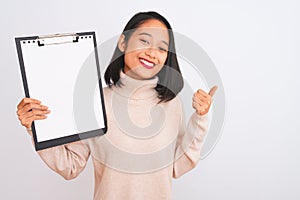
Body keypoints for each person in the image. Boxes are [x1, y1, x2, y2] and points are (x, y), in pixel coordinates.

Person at [16, 11, 217, 200]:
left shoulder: (171, 104)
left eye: (162, 48)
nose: (152, 53)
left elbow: (178, 166)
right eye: (145, 41)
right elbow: (70, 167)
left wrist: (200, 118)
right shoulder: (94, 102)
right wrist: (35, 127)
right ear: (123, 42)